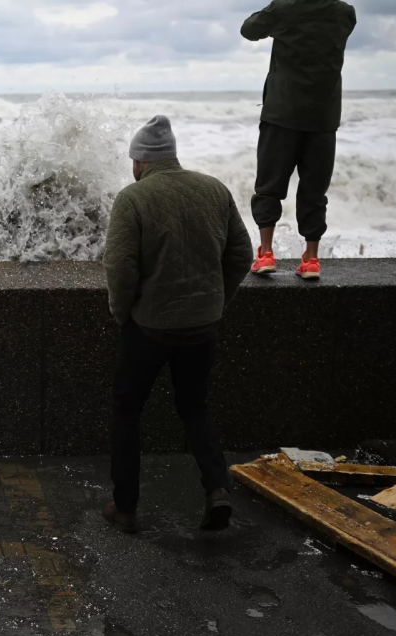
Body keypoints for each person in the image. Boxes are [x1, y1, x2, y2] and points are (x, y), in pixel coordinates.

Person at [102, 116, 254, 533]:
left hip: (149, 328)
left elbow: (120, 267)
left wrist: (122, 313)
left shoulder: (133, 199)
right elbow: (242, 253)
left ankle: (125, 506)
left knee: (127, 410)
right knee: (195, 407)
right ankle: (217, 490)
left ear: (140, 160)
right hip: (203, 325)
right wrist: (214, 300)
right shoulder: (213, 189)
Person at [242, 0, 357, 279]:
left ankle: (266, 253)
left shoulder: (284, 9)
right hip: (323, 117)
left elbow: (249, 29)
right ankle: (311, 259)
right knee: (314, 190)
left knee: (269, 185)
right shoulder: (345, 12)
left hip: (282, 112)